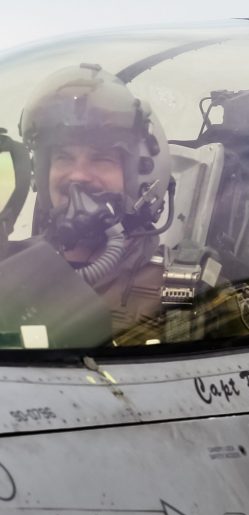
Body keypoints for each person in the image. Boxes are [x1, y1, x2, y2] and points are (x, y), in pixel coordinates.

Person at [19, 63, 172, 344]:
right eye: (63, 157)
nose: (77, 175)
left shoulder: (183, 292)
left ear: (141, 175)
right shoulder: (13, 269)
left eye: (101, 158)